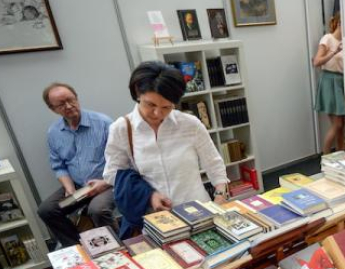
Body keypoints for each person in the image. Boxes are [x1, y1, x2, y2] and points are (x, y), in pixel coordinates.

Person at [103, 61, 229, 210]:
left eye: (166, 107)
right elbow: (112, 175)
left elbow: (214, 164)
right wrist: (150, 195)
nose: (158, 113)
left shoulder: (190, 124)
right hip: (156, 218)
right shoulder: (121, 129)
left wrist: (221, 196)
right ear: (138, 93)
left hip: (198, 210)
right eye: (150, 104)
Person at [38, 83, 115, 247]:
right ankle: (78, 247)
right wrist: (69, 188)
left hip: (108, 182)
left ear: (77, 98)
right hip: (78, 185)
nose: (68, 106)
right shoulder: (54, 132)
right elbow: (58, 166)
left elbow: (123, 160)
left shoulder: (103, 123)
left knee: (98, 209)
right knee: (47, 210)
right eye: (61, 104)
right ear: (53, 109)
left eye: (71, 100)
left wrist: (105, 182)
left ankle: (117, 248)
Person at [313, 13, 345, 154]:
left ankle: (341, 157)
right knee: (337, 124)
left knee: (342, 125)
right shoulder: (328, 38)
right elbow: (316, 61)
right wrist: (333, 52)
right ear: (339, 23)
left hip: (341, 82)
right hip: (329, 81)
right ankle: (325, 158)